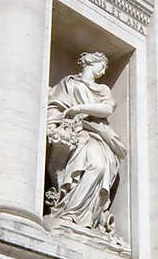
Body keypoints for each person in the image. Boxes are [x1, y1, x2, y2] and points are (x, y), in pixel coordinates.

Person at [45, 52, 126, 239]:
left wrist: (80, 109)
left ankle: (87, 218)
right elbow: (55, 105)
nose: (104, 70)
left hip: (97, 135)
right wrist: (54, 125)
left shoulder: (103, 89)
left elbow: (107, 108)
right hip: (75, 134)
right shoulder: (68, 83)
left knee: (100, 167)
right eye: (102, 65)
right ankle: (69, 213)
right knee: (86, 168)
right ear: (91, 62)